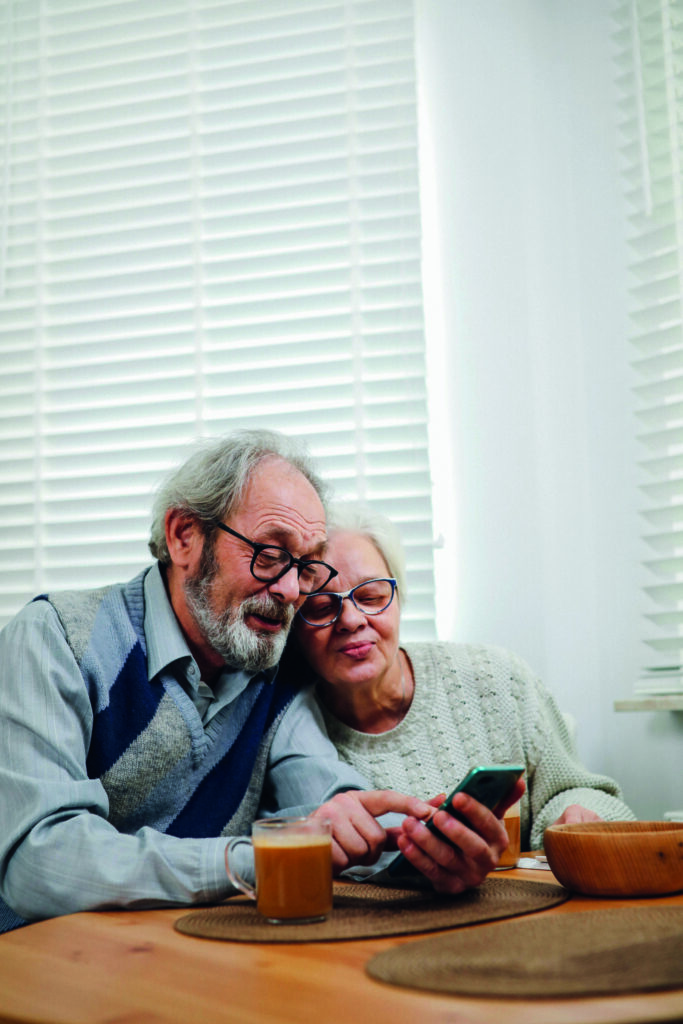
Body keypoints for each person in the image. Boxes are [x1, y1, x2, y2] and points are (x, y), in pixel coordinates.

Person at [0, 431, 519, 932]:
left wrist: (422, 850)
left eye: (308, 565)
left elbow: (329, 805)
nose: (293, 589)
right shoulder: (56, 640)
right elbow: (40, 861)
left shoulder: (274, 668)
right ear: (185, 536)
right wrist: (262, 859)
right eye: (271, 555)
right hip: (45, 971)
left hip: (200, 965)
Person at [286, 501, 635, 856]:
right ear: (294, 624)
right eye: (321, 607)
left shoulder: (497, 677)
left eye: (371, 596)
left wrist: (575, 818)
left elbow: (578, 789)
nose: (352, 620)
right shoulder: (287, 732)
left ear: (399, 599)